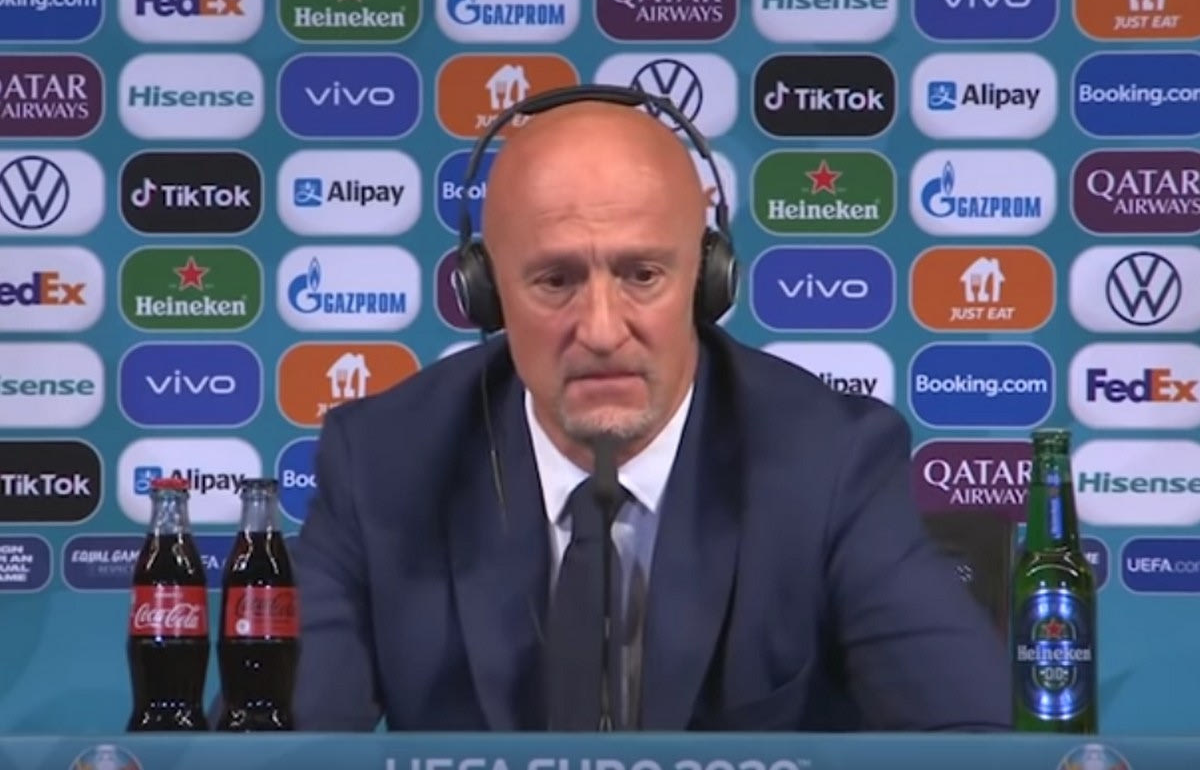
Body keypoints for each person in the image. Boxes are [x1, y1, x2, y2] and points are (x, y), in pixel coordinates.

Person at [291, 92, 1011, 732]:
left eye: (641, 275)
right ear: (486, 292)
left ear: (706, 277)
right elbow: (290, 748)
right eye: (555, 280)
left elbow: (970, 740)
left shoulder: (826, 462)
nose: (602, 330)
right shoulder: (382, 463)